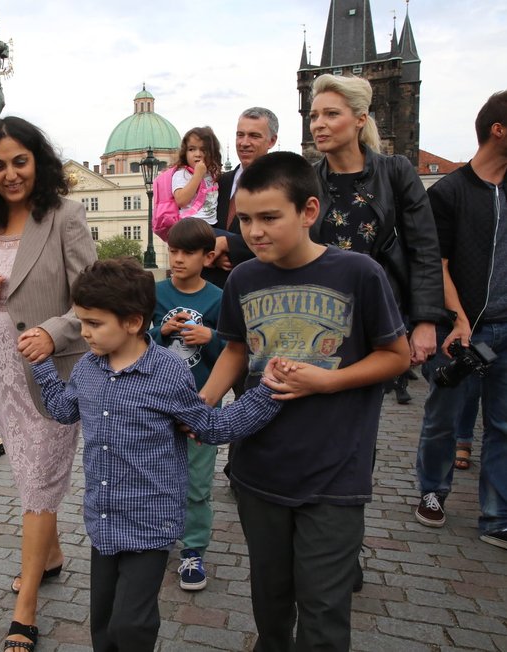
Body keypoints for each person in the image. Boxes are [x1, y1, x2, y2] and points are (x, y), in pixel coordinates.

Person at [201, 152, 410, 650]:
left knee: (323, 611)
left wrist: (325, 381)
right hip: (258, 470)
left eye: (270, 217)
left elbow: (397, 356)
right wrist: (203, 403)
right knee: (270, 603)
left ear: (309, 210)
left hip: (334, 472)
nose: (255, 231)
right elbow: (235, 347)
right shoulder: (244, 279)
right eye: (246, 219)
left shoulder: (358, 273)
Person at [28, 257, 281, 652]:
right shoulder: (86, 369)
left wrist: (267, 393)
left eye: (95, 324)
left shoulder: (168, 373)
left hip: (150, 521)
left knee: (132, 625)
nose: (85, 333)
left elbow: (212, 427)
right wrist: (43, 366)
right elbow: (64, 411)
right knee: (104, 625)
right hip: (103, 517)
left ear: (132, 322)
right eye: (81, 323)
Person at [0, 116, 97, 652]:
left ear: (37, 161)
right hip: (1, 369)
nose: (10, 174)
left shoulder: (66, 215)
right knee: (29, 475)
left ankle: (25, 608)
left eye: (19, 161)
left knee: (38, 481)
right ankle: (53, 556)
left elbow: (92, 297)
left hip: (51, 372)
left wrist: (54, 331)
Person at [309, 74, 446, 395]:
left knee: (363, 417)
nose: (318, 124)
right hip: (320, 315)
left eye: (331, 114)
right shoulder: (306, 180)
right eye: (314, 116)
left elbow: (424, 248)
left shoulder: (395, 171)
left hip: (379, 313)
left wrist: (425, 322)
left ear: (359, 119)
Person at [414, 90, 507, 550]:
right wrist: (458, 320)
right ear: (498, 130)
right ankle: (432, 491)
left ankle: (496, 515)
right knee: (443, 419)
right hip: (464, 329)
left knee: (504, 426)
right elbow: (439, 263)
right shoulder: (449, 191)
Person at [149, 219, 224, 592]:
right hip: (156, 405)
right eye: (173, 250)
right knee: (156, 477)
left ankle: (193, 549)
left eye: (188, 252)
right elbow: (133, 343)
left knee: (196, 483)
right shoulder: (155, 293)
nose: (177, 259)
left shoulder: (217, 298)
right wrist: (158, 333)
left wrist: (210, 337)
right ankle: (159, 536)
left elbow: (233, 353)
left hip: (200, 404)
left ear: (207, 257)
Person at [206, 107, 280, 288]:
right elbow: (199, 222)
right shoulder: (219, 182)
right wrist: (211, 251)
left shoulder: (283, 185)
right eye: (240, 135)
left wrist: (228, 244)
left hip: (260, 287)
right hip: (214, 290)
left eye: (254, 136)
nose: (244, 142)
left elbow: (285, 237)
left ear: (272, 141)